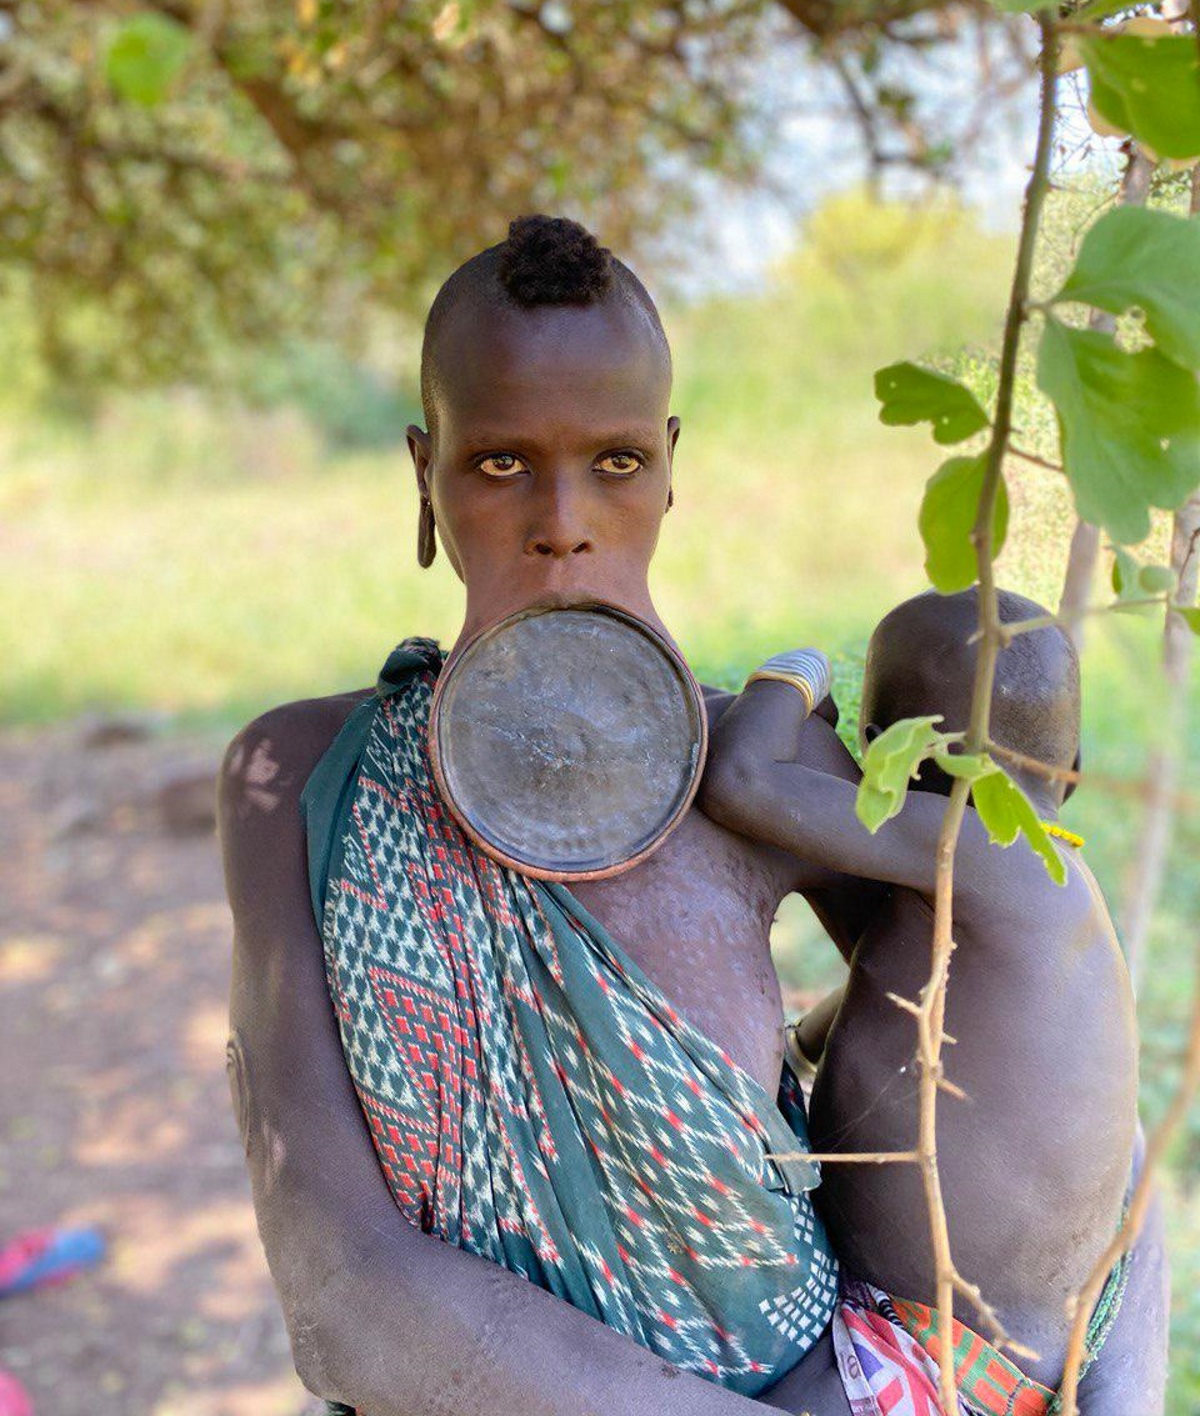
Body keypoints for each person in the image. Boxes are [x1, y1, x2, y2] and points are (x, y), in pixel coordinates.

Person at [218, 217, 1165, 1416]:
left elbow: (1070, 1101)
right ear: (426, 473)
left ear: (670, 467)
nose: (563, 518)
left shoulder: (762, 771)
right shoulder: (308, 778)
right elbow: (345, 1295)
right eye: (501, 462)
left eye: (613, 461)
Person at [700, 589, 1170, 1411]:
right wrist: (804, 1045)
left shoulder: (976, 840)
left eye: (867, 744)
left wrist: (795, 677)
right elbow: (914, 1004)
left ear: (892, 756)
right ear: (1076, 768)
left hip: (946, 1358)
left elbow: (742, 781)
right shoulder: (1037, 868)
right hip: (1025, 1327)